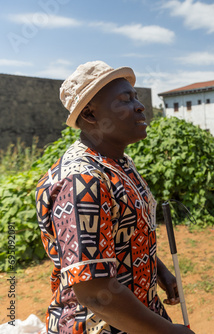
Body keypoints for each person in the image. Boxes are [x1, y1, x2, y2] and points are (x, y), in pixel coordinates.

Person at [35, 61, 194, 334]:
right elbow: (95, 293)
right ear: (90, 115)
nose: (140, 106)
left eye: (136, 97)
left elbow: (120, 233)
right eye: (125, 100)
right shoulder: (82, 181)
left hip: (137, 315)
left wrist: (159, 270)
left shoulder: (118, 163)